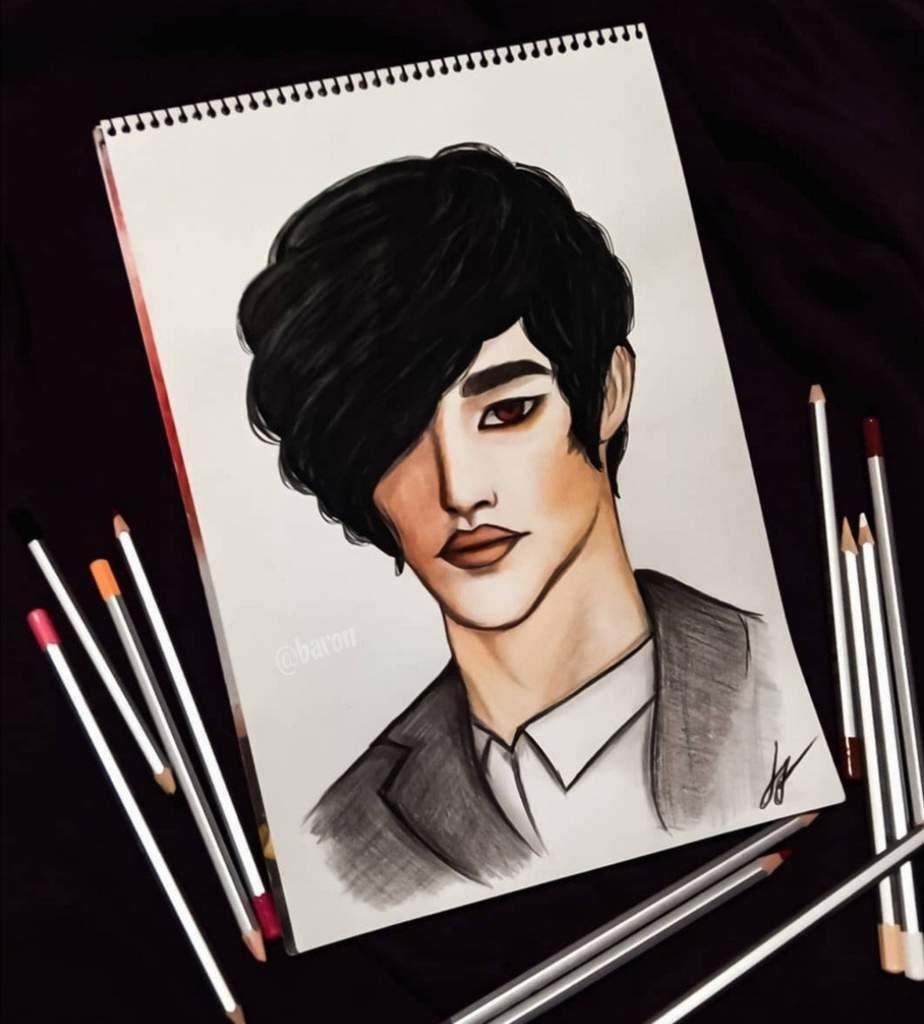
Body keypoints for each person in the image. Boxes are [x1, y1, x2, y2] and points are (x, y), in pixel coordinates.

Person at [238, 144, 775, 909]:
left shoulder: (780, 688)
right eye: (395, 438)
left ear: (608, 392)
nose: (460, 491)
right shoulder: (346, 836)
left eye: (508, 411)